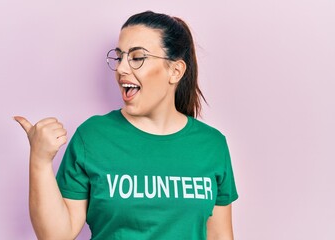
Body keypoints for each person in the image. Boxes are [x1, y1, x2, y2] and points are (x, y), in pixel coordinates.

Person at [14, 10, 238, 240]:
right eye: (119, 57)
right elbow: (55, 236)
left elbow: (220, 235)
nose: (121, 68)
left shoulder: (212, 145)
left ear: (175, 70)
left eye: (137, 57)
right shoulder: (92, 136)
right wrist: (40, 162)